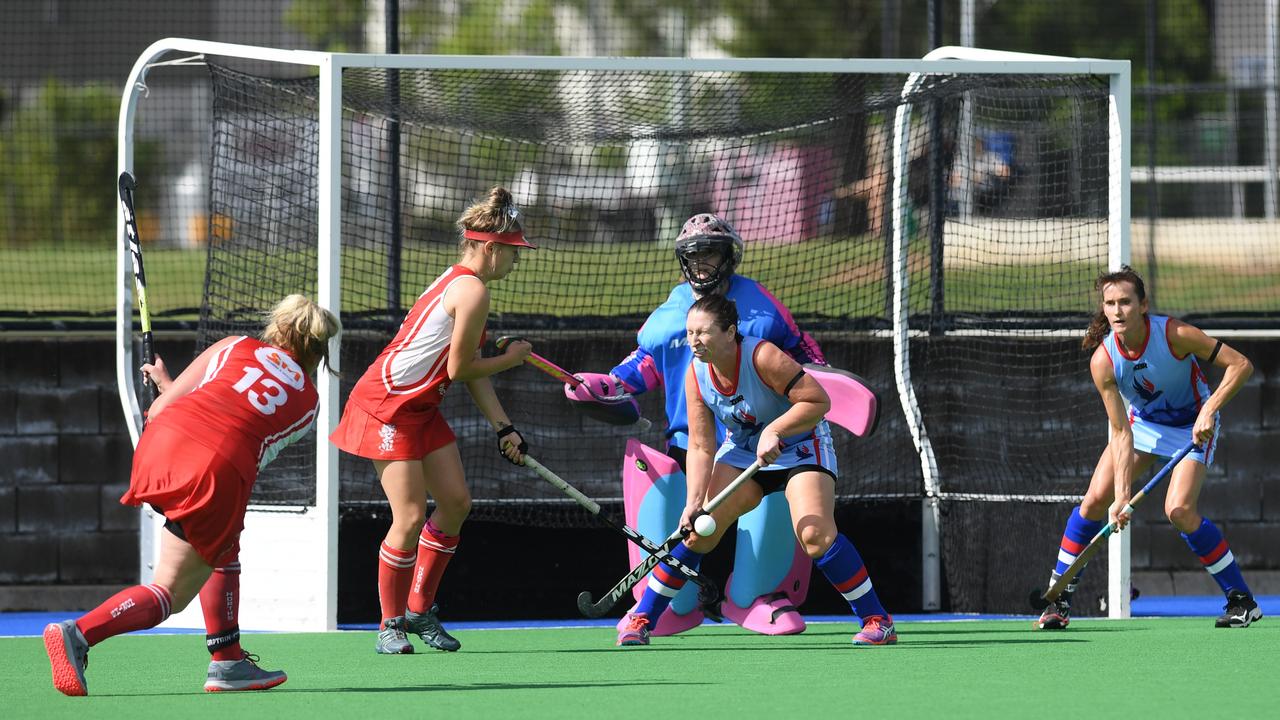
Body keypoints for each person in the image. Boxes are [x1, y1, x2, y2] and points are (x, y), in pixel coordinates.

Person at [43, 294, 341, 696]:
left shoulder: (234, 345)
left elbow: (165, 408)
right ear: (318, 353)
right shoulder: (309, 404)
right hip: (215, 469)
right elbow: (246, 447)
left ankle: (228, 659)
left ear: (276, 328)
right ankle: (78, 633)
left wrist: (166, 389)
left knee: (221, 544)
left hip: (162, 443)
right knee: (171, 591)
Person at [581, 213, 826, 637]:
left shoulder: (762, 306)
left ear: (728, 257)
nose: (702, 264)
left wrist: (822, 376)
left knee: (769, 512)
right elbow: (642, 365)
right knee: (692, 527)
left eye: (711, 253)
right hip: (693, 443)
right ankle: (663, 608)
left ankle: (757, 597)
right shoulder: (669, 315)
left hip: (758, 443)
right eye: (694, 256)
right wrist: (607, 385)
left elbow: (801, 352)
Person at [615, 294, 896, 647]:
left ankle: (877, 620)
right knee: (697, 532)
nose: (694, 341)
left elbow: (817, 401)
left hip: (801, 448)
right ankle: (643, 619)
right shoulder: (696, 373)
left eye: (703, 332)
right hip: (744, 455)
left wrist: (775, 431)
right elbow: (702, 446)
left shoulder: (763, 356)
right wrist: (693, 501)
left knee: (815, 536)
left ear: (730, 331)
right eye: (689, 333)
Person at [330, 186, 535, 655]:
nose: (516, 262)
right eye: (513, 252)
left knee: (457, 502)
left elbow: (466, 367)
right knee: (408, 516)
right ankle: (389, 625)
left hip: (421, 408)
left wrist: (504, 426)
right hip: (387, 405)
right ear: (490, 247)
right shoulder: (473, 290)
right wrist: (515, 359)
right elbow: (460, 370)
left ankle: (420, 610)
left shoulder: (460, 281)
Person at [1036, 266, 1262, 630]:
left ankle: (1241, 600)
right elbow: (1120, 432)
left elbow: (1241, 365)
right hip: (1142, 426)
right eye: (1110, 303)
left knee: (1179, 510)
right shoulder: (1103, 362)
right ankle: (1059, 599)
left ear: (1143, 305)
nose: (1117, 310)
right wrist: (1121, 497)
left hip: (1193, 424)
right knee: (1095, 501)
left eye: (1125, 301)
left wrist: (1209, 409)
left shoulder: (1174, 335)